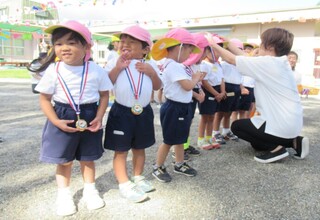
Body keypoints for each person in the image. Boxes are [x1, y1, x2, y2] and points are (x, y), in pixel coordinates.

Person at [34, 20, 113, 216]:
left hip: (89, 115)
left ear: (86, 46)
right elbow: (44, 99)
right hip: (62, 116)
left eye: (71, 43)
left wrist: (99, 116)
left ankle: (90, 191)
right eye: (59, 44)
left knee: (88, 158)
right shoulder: (53, 70)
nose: (64, 48)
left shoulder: (96, 70)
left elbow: (104, 95)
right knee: (64, 160)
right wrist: (55, 121)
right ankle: (64, 195)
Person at [209, 27, 309, 163]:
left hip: (280, 125)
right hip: (292, 126)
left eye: (262, 44)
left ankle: (277, 149)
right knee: (256, 144)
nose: (259, 47)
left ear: (270, 47)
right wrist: (227, 43)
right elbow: (245, 58)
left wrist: (212, 44)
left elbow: (233, 60)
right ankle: (294, 142)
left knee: (237, 127)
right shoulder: (280, 63)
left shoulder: (268, 63)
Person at [104, 25, 162, 203]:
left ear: (145, 49)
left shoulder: (150, 64)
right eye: (122, 42)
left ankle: (138, 177)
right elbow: (106, 84)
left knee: (140, 147)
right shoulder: (115, 61)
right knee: (120, 150)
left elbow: (157, 86)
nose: (124, 45)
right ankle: (124, 184)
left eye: (131, 42)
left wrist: (152, 73)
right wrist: (118, 68)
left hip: (143, 111)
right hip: (121, 112)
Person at [150, 28, 204, 183]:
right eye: (189, 49)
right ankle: (157, 166)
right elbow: (187, 86)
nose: (190, 54)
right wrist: (195, 78)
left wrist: (194, 83)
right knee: (169, 140)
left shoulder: (176, 65)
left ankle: (179, 164)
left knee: (180, 138)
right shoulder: (173, 65)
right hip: (174, 107)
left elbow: (184, 88)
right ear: (180, 47)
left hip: (181, 106)